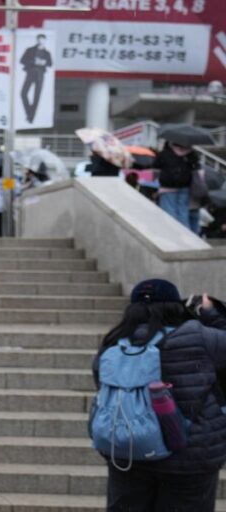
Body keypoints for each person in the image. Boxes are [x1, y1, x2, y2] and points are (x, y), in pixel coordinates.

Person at [93, 279, 226, 511]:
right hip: (190, 456)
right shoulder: (197, 336)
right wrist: (212, 313)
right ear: (175, 306)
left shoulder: (116, 342)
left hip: (128, 449)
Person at [154, 141, 199, 230]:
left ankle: (172, 232)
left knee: (169, 211)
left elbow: (156, 165)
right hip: (185, 186)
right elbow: (196, 165)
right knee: (183, 211)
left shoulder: (166, 153)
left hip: (168, 187)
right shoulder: (190, 153)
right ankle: (185, 234)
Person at [19, 33, 52, 124]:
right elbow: (22, 60)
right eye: (39, 39)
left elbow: (50, 63)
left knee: (36, 96)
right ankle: (29, 112)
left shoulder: (47, 53)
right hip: (30, 72)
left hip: (40, 74)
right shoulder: (30, 50)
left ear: (45, 41)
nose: (41, 41)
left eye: (43, 40)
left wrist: (43, 62)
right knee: (23, 93)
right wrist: (33, 61)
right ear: (37, 40)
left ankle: (31, 117)